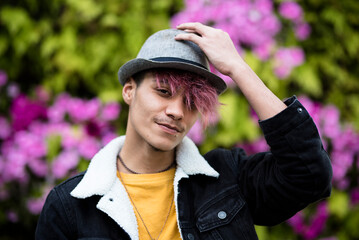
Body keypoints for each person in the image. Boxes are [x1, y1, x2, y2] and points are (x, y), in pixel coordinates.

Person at [35, 22, 332, 240]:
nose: (177, 111)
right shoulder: (71, 206)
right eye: (163, 91)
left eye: (191, 101)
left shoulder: (229, 178)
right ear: (129, 91)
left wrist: (239, 69)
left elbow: (309, 176)